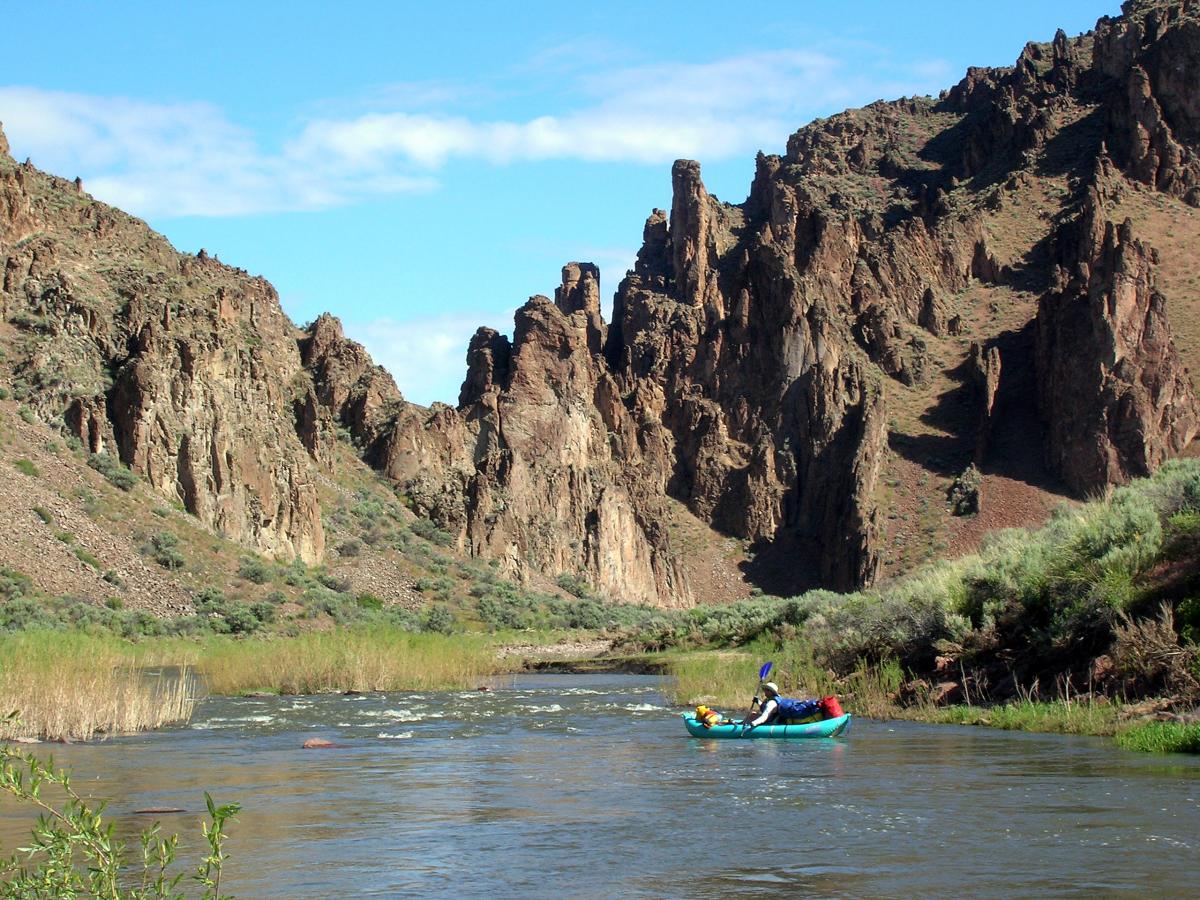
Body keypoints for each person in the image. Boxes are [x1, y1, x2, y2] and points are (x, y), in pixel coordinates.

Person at [744, 682, 823, 726]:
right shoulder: (777, 699)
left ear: (771, 692)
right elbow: (766, 708)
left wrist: (754, 723)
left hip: (775, 721)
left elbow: (765, 716)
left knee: (752, 715)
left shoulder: (772, 703)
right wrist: (758, 701)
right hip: (778, 718)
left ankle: (741, 725)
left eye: (766, 690)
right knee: (753, 714)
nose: (764, 691)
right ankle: (741, 723)